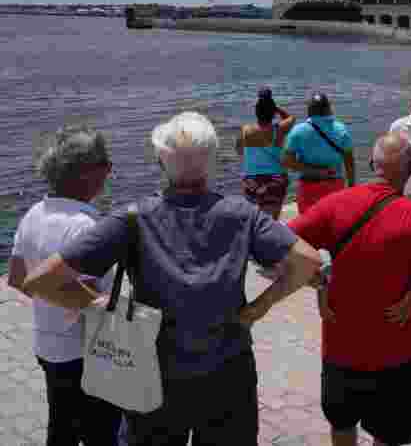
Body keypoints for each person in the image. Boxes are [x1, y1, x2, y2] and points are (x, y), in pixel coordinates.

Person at [22, 112, 323, 445]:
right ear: (211, 162)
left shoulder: (132, 219)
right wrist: (261, 306)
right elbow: (308, 261)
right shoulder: (242, 215)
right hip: (228, 377)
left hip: (154, 378)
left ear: (161, 163)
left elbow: (39, 281)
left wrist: (98, 305)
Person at [288, 132, 411, 446]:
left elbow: (278, 243)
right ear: (410, 170)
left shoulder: (335, 204)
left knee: (342, 426)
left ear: (372, 164)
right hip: (397, 355)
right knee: (389, 436)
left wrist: (316, 279)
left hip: (341, 349)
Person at [7, 126, 123, 446]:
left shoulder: (34, 214)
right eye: (104, 163)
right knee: (103, 433)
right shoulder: (86, 227)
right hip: (84, 353)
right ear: (84, 172)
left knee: (61, 426)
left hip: (47, 346)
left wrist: (48, 294)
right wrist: (102, 304)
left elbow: (16, 278)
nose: (109, 170)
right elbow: (86, 298)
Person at [283, 93, 355, 214]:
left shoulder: (298, 131)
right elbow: (349, 161)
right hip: (334, 186)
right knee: (332, 222)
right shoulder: (341, 129)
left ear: (309, 110)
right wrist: (351, 186)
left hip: (308, 186)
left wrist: (313, 170)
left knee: (308, 223)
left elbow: (287, 161)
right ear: (328, 109)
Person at [237, 88, 296, 219]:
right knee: (272, 221)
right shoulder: (279, 130)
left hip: (252, 182)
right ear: (273, 113)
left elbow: (239, 151)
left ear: (256, 112)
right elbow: (291, 118)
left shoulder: (245, 130)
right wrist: (277, 108)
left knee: (253, 220)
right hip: (276, 181)